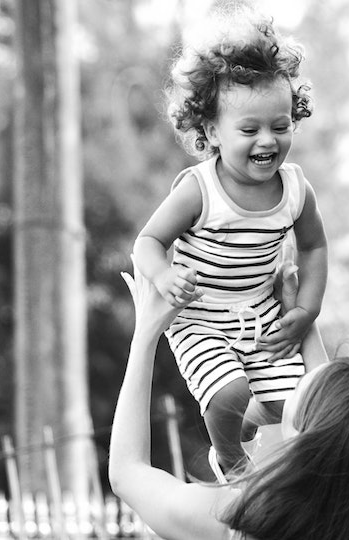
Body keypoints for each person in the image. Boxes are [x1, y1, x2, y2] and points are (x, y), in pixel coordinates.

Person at [109, 259, 349, 540]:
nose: (295, 380)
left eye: (299, 388)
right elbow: (337, 422)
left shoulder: (235, 522)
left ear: (305, 442)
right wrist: (298, 319)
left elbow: (127, 472)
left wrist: (146, 333)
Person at [132, 7, 328, 479]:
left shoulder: (296, 189)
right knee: (228, 393)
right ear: (212, 131)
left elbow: (315, 248)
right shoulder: (199, 189)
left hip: (260, 311)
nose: (267, 140)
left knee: (293, 405)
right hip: (200, 315)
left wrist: (306, 310)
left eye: (280, 126)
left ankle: (245, 423)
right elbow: (147, 242)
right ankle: (233, 463)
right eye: (249, 129)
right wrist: (164, 275)